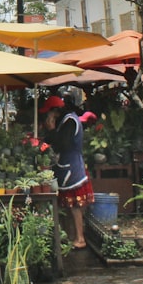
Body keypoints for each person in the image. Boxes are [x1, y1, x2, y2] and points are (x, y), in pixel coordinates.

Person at [40, 95, 94, 249]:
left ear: (56, 111)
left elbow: (62, 144)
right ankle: (71, 236)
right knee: (67, 205)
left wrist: (51, 130)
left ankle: (80, 238)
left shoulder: (70, 121)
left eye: (50, 113)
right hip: (66, 167)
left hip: (72, 168)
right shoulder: (65, 121)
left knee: (75, 204)